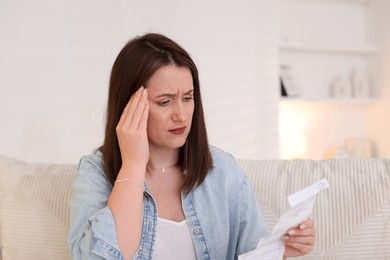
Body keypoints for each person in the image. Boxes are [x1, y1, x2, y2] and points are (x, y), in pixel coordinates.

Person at [68, 33, 315, 260]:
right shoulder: (94, 173)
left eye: (187, 98)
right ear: (128, 106)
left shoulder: (224, 171)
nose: (182, 115)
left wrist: (282, 250)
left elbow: (253, 253)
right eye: (165, 102)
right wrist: (132, 165)